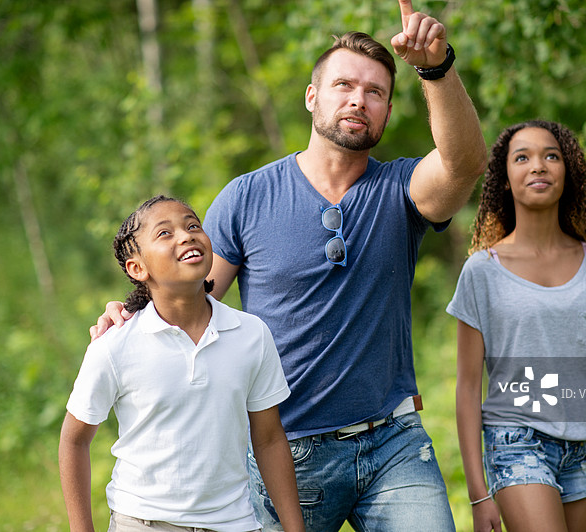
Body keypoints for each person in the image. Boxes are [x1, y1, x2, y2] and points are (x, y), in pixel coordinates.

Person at [91, 1, 487, 529]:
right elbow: (192, 298)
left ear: (388, 112)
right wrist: (130, 313)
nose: (359, 100)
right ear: (311, 96)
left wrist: (435, 68)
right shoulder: (247, 197)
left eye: (375, 93)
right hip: (286, 447)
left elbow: (465, 164)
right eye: (344, 85)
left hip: (394, 443)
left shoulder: (400, 190)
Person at [447, 120, 586, 532]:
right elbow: (467, 385)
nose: (538, 166)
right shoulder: (482, 272)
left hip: (582, 448)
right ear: (505, 180)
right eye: (522, 157)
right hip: (515, 441)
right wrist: (479, 493)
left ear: (569, 174)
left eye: (551, 155)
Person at [60, 195, 305, 532]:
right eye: (165, 233)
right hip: (143, 523)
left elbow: (269, 439)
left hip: (235, 524)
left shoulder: (252, 334)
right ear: (137, 267)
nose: (186, 235)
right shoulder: (116, 344)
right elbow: (74, 441)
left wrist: (295, 528)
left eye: (193, 226)